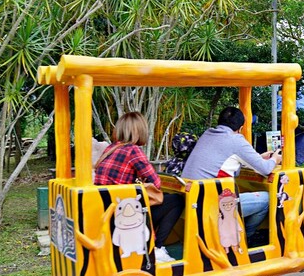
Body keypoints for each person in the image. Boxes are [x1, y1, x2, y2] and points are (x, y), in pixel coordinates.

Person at [182, 107, 282, 241]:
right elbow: (265, 169)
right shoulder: (236, 140)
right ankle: (247, 237)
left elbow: (227, 160)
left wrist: (257, 157)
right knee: (268, 198)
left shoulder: (207, 134)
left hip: (191, 199)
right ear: (240, 128)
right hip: (212, 205)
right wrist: (275, 159)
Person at [95, 112, 183, 263]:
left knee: (165, 200)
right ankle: (157, 248)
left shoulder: (110, 148)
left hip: (107, 208)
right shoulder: (133, 150)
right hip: (125, 213)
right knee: (176, 200)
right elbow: (156, 183)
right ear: (139, 131)